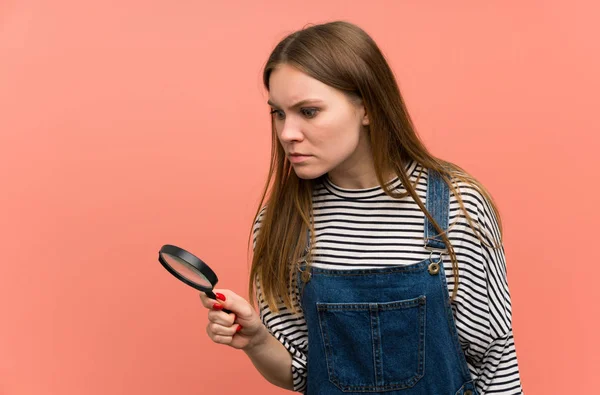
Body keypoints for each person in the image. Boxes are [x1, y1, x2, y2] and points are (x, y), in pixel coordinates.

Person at [198, 20, 524, 395]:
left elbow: (495, 360)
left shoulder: (455, 206)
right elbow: (303, 373)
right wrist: (256, 339)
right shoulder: (283, 220)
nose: (287, 133)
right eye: (279, 113)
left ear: (367, 108)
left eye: (309, 111)